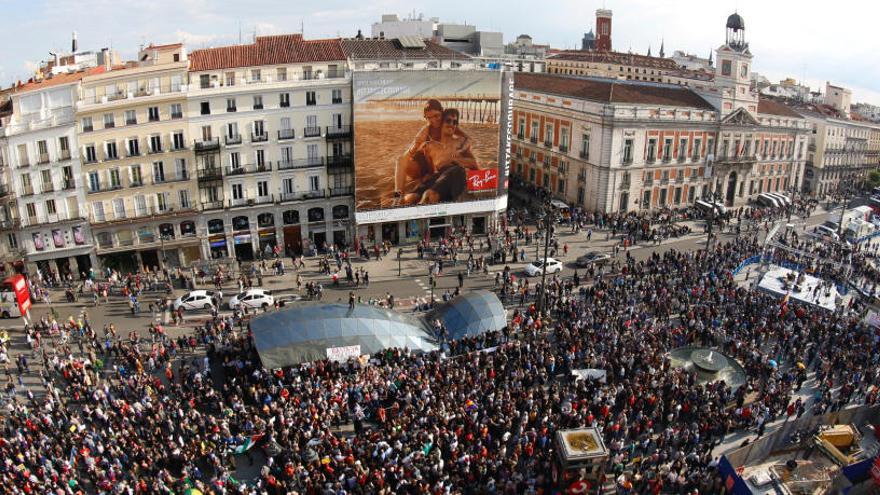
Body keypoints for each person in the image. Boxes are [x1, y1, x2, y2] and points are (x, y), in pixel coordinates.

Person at [393, 99, 471, 204]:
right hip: (420, 165)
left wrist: (461, 150)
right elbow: (406, 157)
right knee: (400, 160)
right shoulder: (425, 131)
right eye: (429, 118)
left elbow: (467, 139)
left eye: (436, 116)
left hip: (435, 169)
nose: (433, 120)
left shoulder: (447, 124)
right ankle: (397, 197)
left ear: (442, 112)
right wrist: (415, 146)